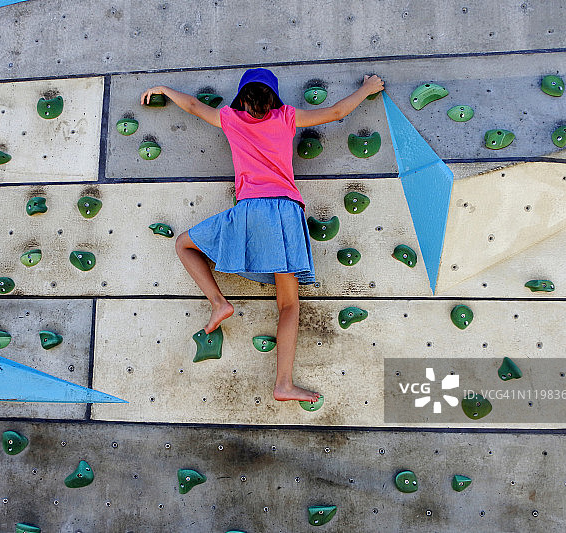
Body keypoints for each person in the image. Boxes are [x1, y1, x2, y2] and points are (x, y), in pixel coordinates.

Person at [141, 68, 384, 403]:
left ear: (241, 98)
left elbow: (195, 107)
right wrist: (367, 88)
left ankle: (218, 303)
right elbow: (337, 112)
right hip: (284, 214)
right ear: (274, 98)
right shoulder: (287, 117)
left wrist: (166, 89)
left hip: (249, 212)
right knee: (288, 305)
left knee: (184, 244)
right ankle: (283, 383)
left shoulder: (231, 119)